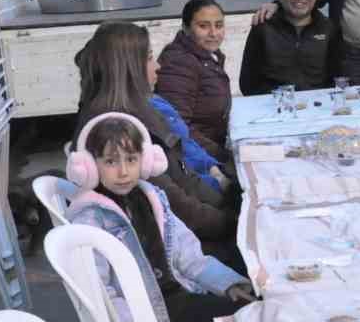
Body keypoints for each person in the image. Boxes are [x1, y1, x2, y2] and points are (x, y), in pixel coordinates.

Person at [67, 112, 254, 322]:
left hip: (178, 295)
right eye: (111, 162)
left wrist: (228, 284)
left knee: (255, 304)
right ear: (89, 167)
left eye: (131, 159)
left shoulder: (152, 198)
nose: (123, 171)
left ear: (146, 160)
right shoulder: (91, 220)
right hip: (153, 318)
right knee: (253, 317)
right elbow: (99, 290)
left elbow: (190, 257)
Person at [73, 22, 237, 249]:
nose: (158, 66)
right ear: (129, 68)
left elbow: (182, 176)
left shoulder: (139, 108)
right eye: (150, 58)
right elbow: (171, 202)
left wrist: (228, 205)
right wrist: (231, 224)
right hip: (169, 244)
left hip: (185, 228)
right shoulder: (116, 129)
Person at [155, 0, 232, 160]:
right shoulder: (178, 63)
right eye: (203, 26)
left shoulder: (206, 55)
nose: (213, 33)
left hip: (212, 146)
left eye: (219, 25)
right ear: (186, 28)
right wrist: (222, 157)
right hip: (198, 159)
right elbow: (177, 128)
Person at [240, 0, 335, 95]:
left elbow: (337, 79)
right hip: (274, 103)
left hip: (318, 103)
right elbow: (247, 83)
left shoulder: (328, 29)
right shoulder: (263, 28)